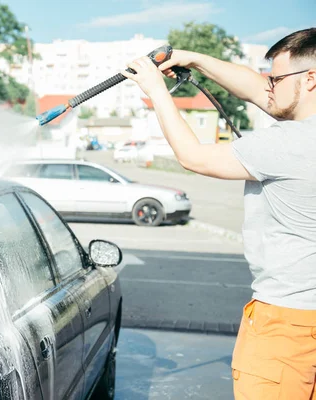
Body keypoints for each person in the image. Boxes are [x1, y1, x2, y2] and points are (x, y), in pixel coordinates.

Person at [121, 28, 316, 399]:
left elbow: (193, 157)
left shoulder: (291, 143)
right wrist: (195, 59)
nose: (267, 87)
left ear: (310, 79)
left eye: (275, 78)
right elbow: (256, 92)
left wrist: (156, 91)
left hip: (287, 322)